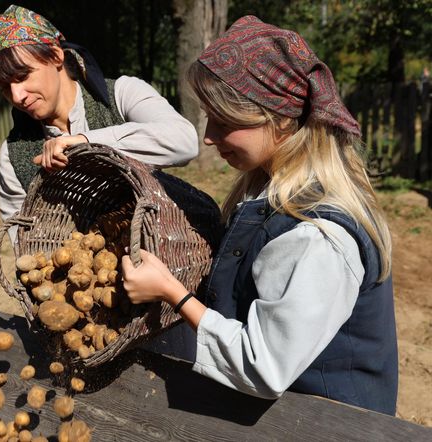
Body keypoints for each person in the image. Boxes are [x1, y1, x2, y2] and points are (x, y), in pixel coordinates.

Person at [121, 16, 398, 415]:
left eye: (225, 122)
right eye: (207, 118)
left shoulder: (316, 236)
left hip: (330, 426)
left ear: (281, 119)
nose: (208, 137)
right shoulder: (267, 187)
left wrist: (172, 293)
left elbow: (263, 366)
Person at [0, 5, 198, 224]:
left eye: (22, 76)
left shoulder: (123, 94)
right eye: (3, 86)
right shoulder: (13, 156)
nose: (17, 95)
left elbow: (184, 141)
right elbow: (21, 238)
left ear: (56, 56)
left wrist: (85, 142)